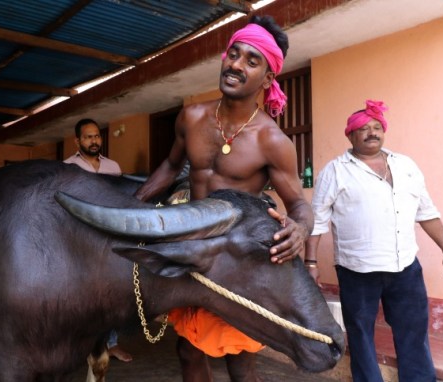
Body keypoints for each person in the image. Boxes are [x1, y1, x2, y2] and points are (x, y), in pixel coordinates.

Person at [134, 15, 313, 382]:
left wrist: (300, 229)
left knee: (240, 359)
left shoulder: (272, 141)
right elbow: (169, 168)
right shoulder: (192, 117)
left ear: (267, 78)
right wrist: (132, 206)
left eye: (251, 60)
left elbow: (299, 207)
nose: (235, 64)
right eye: (234, 54)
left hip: (238, 260)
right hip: (194, 251)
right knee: (187, 350)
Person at [305, 100, 443, 382]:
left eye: (377, 127)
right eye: (363, 129)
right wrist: (311, 263)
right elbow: (317, 221)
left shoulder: (406, 165)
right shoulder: (335, 170)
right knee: (361, 332)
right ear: (350, 135)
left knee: (413, 329)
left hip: (405, 267)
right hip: (357, 270)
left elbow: (426, 212)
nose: (371, 133)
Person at [64, 118, 131, 362]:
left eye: (97, 136)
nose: (94, 141)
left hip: (109, 239)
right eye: (88, 137)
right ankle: (75, 343)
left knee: (113, 291)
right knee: (78, 292)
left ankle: (110, 343)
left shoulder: (113, 166)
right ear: (77, 140)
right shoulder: (67, 167)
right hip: (78, 239)